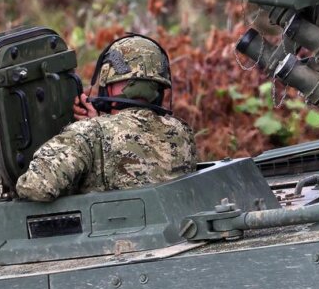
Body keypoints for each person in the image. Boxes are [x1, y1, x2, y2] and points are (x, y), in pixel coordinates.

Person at [14, 34, 198, 202]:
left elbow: (36, 186)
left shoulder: (89, 134)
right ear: (159, 91)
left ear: (107, 85)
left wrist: (86, 134)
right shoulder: (182, 132)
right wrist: (96, 125)